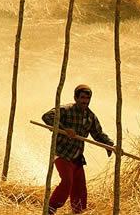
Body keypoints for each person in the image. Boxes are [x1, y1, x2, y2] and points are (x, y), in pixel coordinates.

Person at [42, 84, 114, 214]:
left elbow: (98, 134)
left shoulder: (90, 116)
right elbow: (47, 117)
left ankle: (78, 212)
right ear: (76, 97)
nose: (84, 101)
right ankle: (50, 208)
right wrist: (64, 129)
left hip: (77, 157)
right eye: (82, 97)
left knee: (80, 189)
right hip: (62, 154)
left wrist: (110, 145)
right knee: (67, 182)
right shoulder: (66, 109)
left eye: (87, 98)